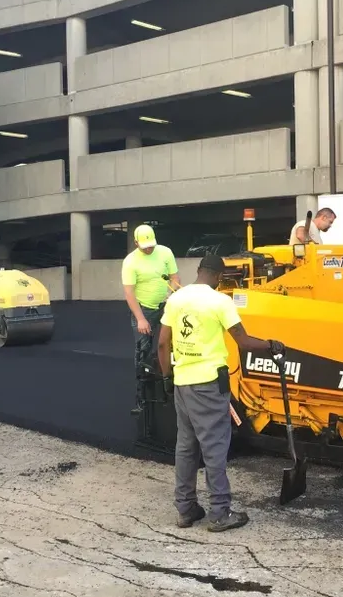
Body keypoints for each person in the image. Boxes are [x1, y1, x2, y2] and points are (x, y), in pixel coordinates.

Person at [158, 255, 285, 533]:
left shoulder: (177, 299)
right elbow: (244, 341)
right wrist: (271, 344)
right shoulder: (219, 301)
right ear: (218, 277)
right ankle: (219, 512)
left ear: (199, 271)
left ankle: (186, 509)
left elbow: (162, 343)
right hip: (209, 385)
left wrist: (167, 376)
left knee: (186, 447)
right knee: (215, 448)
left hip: (183, 383)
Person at [122, 224, 180, 414]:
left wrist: (172, 297)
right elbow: (129, 293)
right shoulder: (130, 262)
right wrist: (140, 319)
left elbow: (174, 278)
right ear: (136, 242)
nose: (149, 248)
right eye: (145, 245)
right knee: (142, 353)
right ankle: (142, 400)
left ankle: (173, 388)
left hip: (165, 306)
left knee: (174, 345)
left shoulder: (165, 253)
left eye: (151, 245)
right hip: (143, 310)